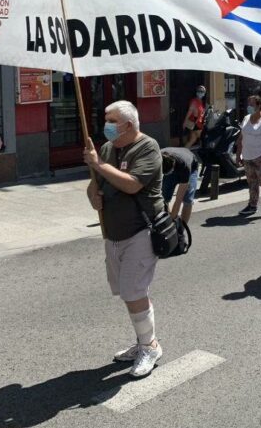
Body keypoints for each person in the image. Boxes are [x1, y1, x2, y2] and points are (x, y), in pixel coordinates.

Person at [83, 101, 165, 378]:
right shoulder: (108, 148)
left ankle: (150, 346)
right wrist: (93, 194)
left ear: (128, 125)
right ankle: (143, 340)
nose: (105, 125)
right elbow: (96, 184)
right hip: (113, 233)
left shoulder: (148, 147)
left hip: (140, 230)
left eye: (111, 121)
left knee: (133, 290)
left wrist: (99, 165)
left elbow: (132, 183)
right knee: (126, 291)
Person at [236, 95, 261, 218]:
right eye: (248, 104)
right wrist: (239, 155)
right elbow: (241, 138)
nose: (249, 106)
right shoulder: (246, 118)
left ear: (259, 105)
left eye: (252, 104)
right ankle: (252, 205)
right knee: (252, 183)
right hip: (248, 157)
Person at [160, 147, 199, 224]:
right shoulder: (155, 157)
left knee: (187, 199)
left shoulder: (185, 166)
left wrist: (172, 219)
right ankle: (166, 221)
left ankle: (182, 229)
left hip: (191, 167)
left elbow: (178, 199)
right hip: (171, 160)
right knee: (164, 197)